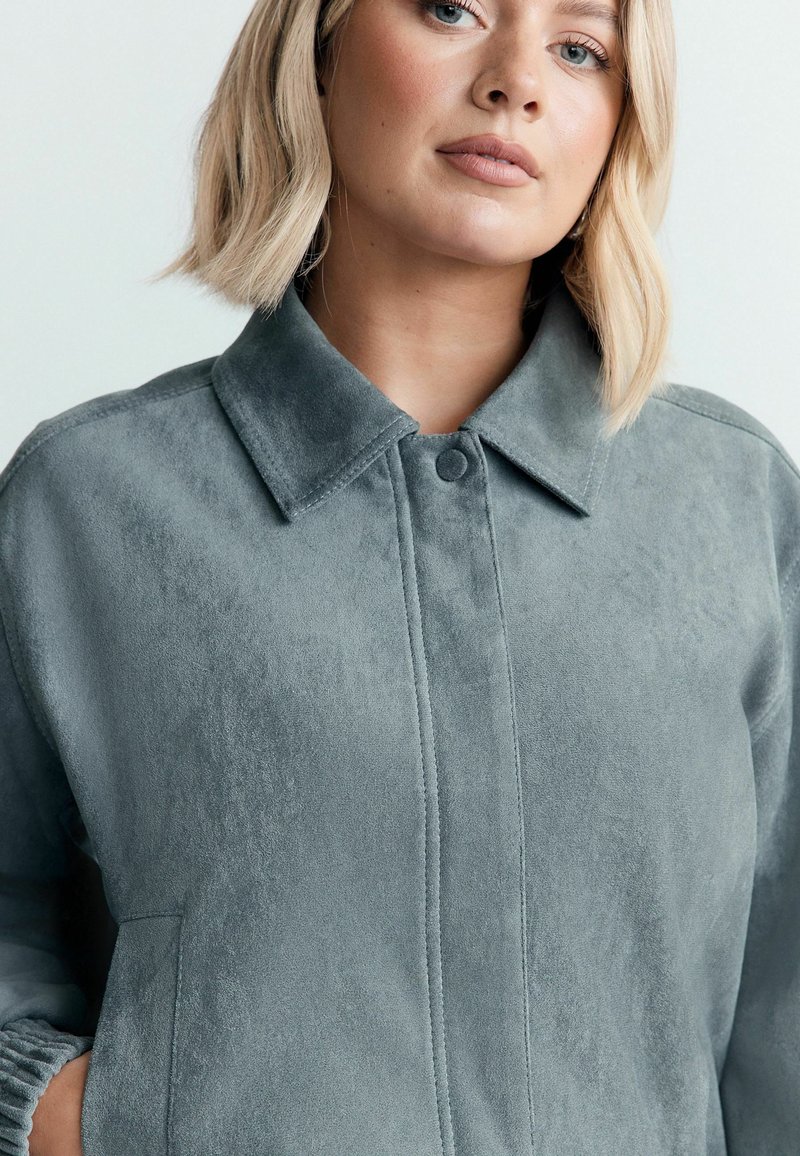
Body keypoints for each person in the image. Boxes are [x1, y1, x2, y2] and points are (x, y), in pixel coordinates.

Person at [1, 0, 797, 1153]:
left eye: (579, 48)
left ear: (620, 123)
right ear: (316, 49)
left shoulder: (730, 505)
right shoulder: (89, 500)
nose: (516, 79)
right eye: (448, 7)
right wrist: (64, 1112)